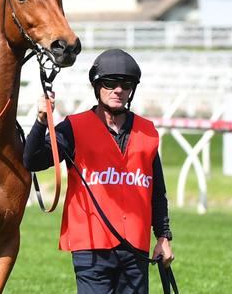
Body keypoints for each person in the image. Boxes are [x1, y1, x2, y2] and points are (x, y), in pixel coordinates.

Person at [24, 48, 174, 294]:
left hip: (135, 247)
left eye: (125, 84)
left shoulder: (147, 132)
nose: (118, 89)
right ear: (97, 86)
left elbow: (157, 192)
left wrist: (163, 237)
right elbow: (33, 160)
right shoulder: (73, 128)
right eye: (110, 82)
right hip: (90, 247)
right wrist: (42, 121)